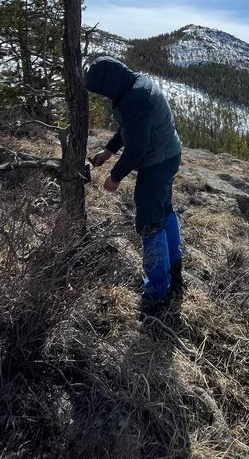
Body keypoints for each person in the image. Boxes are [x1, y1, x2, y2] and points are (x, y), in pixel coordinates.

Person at [85, 56, 183, 313]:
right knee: (164, 210)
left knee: (150, 223)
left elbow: (138, 146)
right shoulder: (136, 84)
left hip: (157, 161)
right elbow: (130, 129)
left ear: (110, 84)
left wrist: (115, 177)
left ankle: (157, 292)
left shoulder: (136, 98)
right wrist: (109, 151)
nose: (104, 97)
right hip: (168, 154)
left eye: (102, 92)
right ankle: (175, 267)